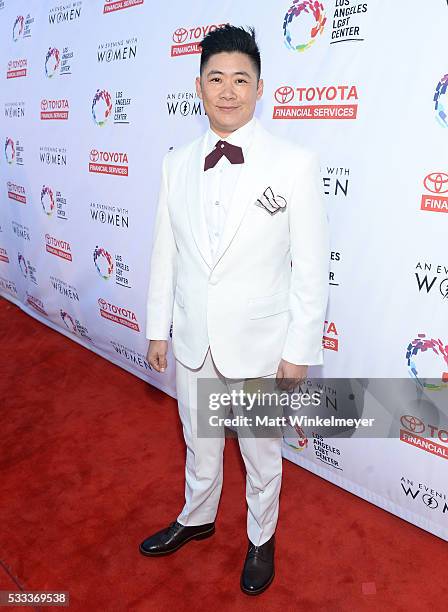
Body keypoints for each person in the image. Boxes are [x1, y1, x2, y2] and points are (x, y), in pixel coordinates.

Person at [139, 24, 329, 595]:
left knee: (260, 452)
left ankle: (261, 539)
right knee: (198, 439)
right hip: (195, 336)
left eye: (239, 80)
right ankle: (197, 518)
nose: (227, 90)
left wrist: (299, 350)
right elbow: (164, 252)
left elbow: (312, 268)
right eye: (216, 78)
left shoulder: (295, 163)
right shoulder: (176, 163)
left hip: (260, 345)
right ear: (198, 86)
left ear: (260, 87)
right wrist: (158, 329)